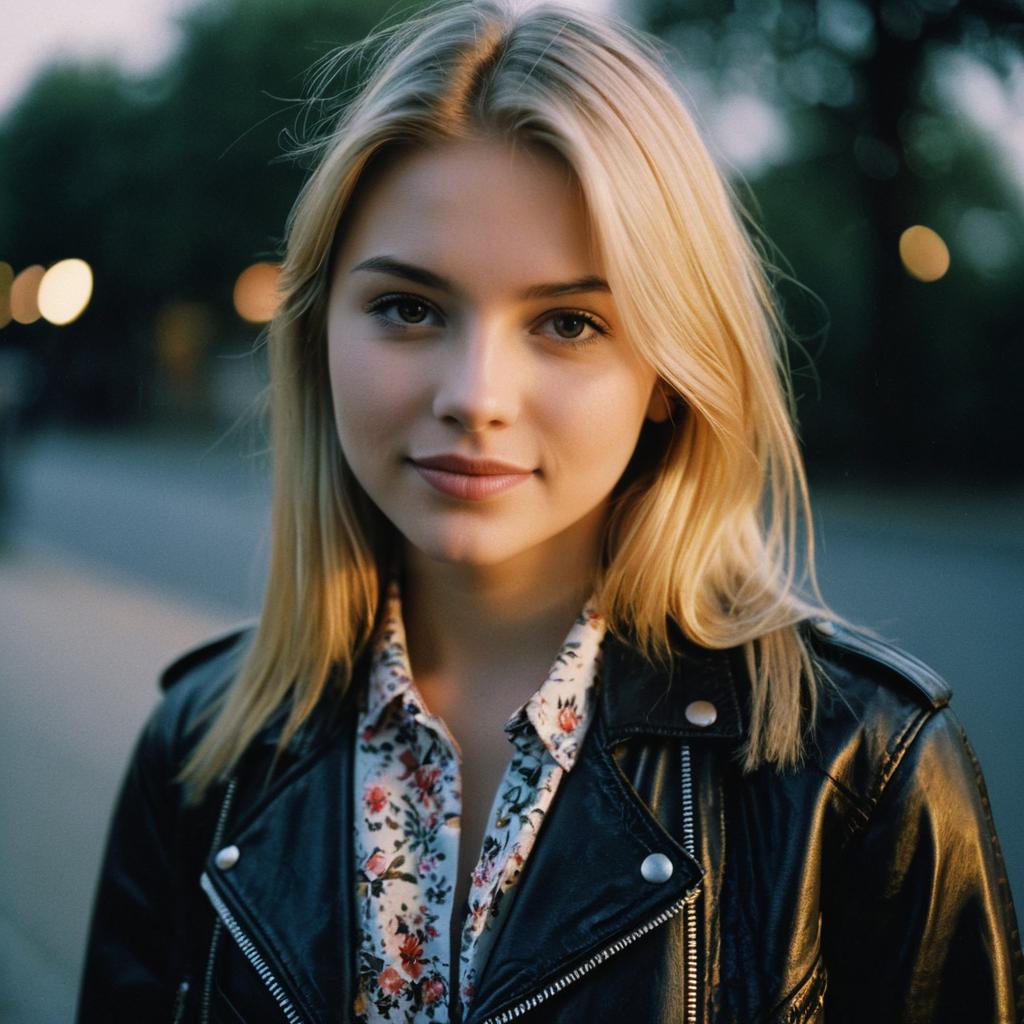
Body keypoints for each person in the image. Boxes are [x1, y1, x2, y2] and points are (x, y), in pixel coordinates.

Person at [76, 1, 1023, 1022]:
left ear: (668, 368)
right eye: (409, 308)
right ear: (317, 336)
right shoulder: (198, 752)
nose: (475, 392)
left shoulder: (864, 774)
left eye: (568, 321)